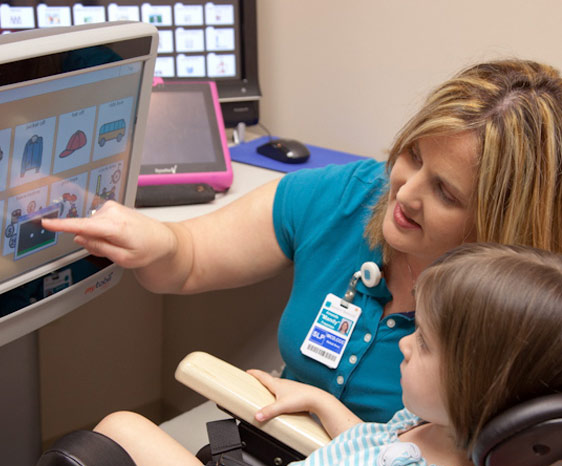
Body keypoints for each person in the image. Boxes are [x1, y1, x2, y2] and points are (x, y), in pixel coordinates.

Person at [42, 59, 562, 423]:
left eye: (445, 192)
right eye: (414, 156)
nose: (405, 192)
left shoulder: (520, 316)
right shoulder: (351, 195)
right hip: (281, 458)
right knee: (107, 443)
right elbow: (189, 258)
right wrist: (157, 241)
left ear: (498, 224)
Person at [2, 243, 561, 466]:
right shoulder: (438, 431)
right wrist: (320, 400)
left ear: (477, 386)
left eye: (427, 341)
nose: (408, 342)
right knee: (123, 424)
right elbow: (371, 453)